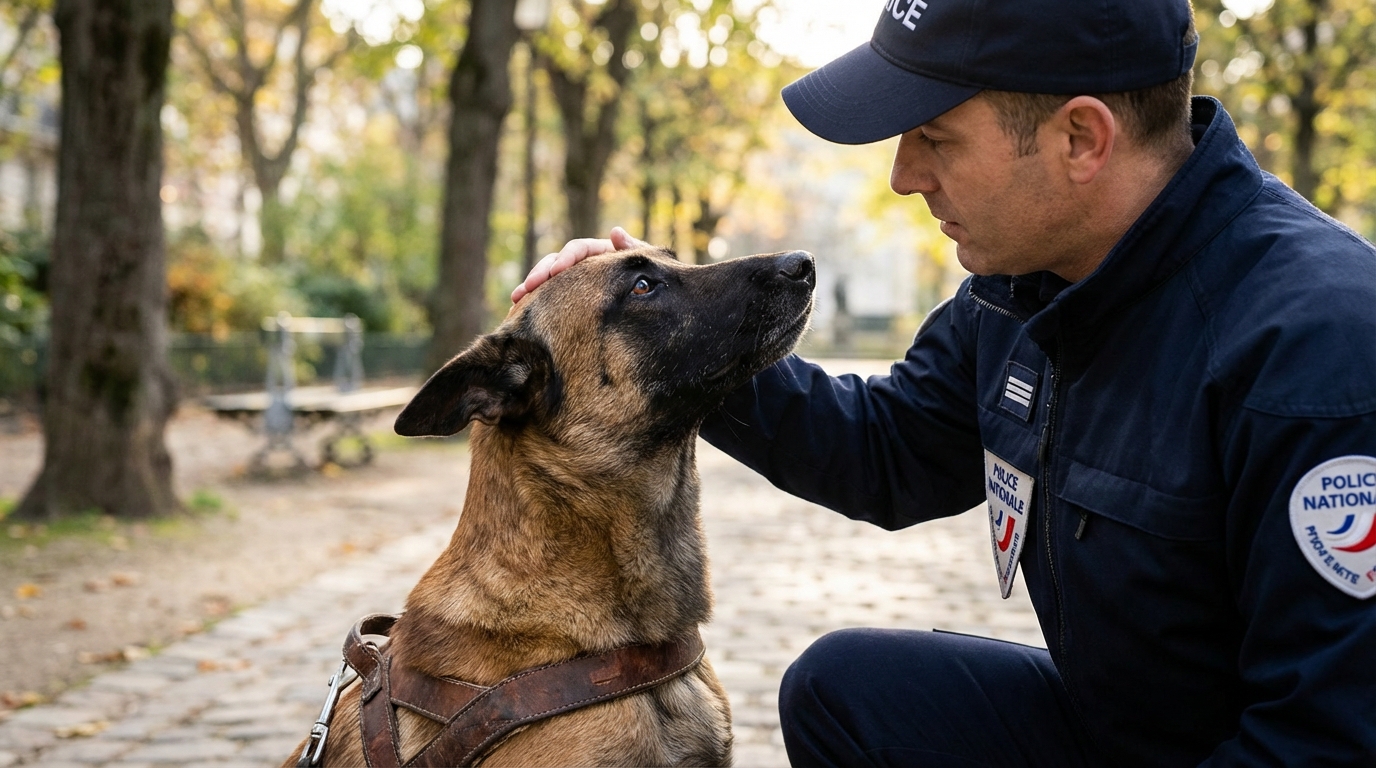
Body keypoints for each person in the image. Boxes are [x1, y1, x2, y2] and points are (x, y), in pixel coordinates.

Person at [511, 0, 1376, 765]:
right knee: (846, 690)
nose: (904, 174)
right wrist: (677, 336)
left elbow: (1324, 739)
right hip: (1126, 728)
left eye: (936, 135)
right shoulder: (1027, 289)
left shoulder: (1317, 352)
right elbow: (890, 448)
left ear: (1081, 138)